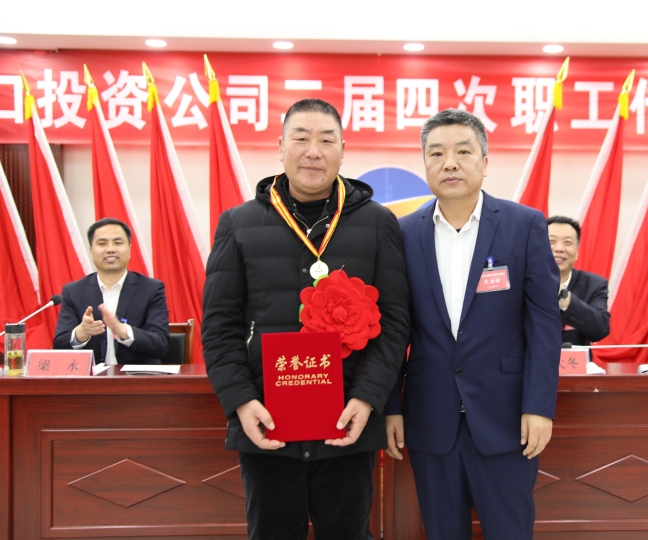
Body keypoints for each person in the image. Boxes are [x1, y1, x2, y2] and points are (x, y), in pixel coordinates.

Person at [202, 99, 409, 540]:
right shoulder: (238, 223)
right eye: (300, 138)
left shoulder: (378, 224)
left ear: (343, 150)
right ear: (280, 147)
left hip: (347, 423)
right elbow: (219, 327)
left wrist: (367, 398)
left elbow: (394, 323)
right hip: (267, 424)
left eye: (326, 140)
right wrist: (241, 401)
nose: (313, 151)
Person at [385, 109, 561, 540]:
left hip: (507, 418)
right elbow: (393, 329)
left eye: (463, 152)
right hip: (430, 417)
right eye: (436, 153)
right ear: (424, 163)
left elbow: (543, 324)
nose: (450, 163)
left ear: (484, 161)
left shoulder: (524, 225)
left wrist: (539, 406)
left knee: (510, 531)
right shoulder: (402, 233)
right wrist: (391, 406)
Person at [53, 218, 169, 365]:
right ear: (91, 251)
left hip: (137, 378)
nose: (110, 249)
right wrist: (80, 333)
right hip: (92, 378)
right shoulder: (73, 292)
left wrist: (123, 330)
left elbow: (161, 345)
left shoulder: (151, 289)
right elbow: (59, 346)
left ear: (129, 249)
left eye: (118, 243)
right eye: (102, 243)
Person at [546, 215, 610, 346]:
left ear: (577, 252)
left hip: (573, 359)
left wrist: (565, 300)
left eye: (568, 242)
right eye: (551, 241)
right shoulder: (519, 282)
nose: (559, 248)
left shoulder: (594, 285)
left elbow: (600, 330)